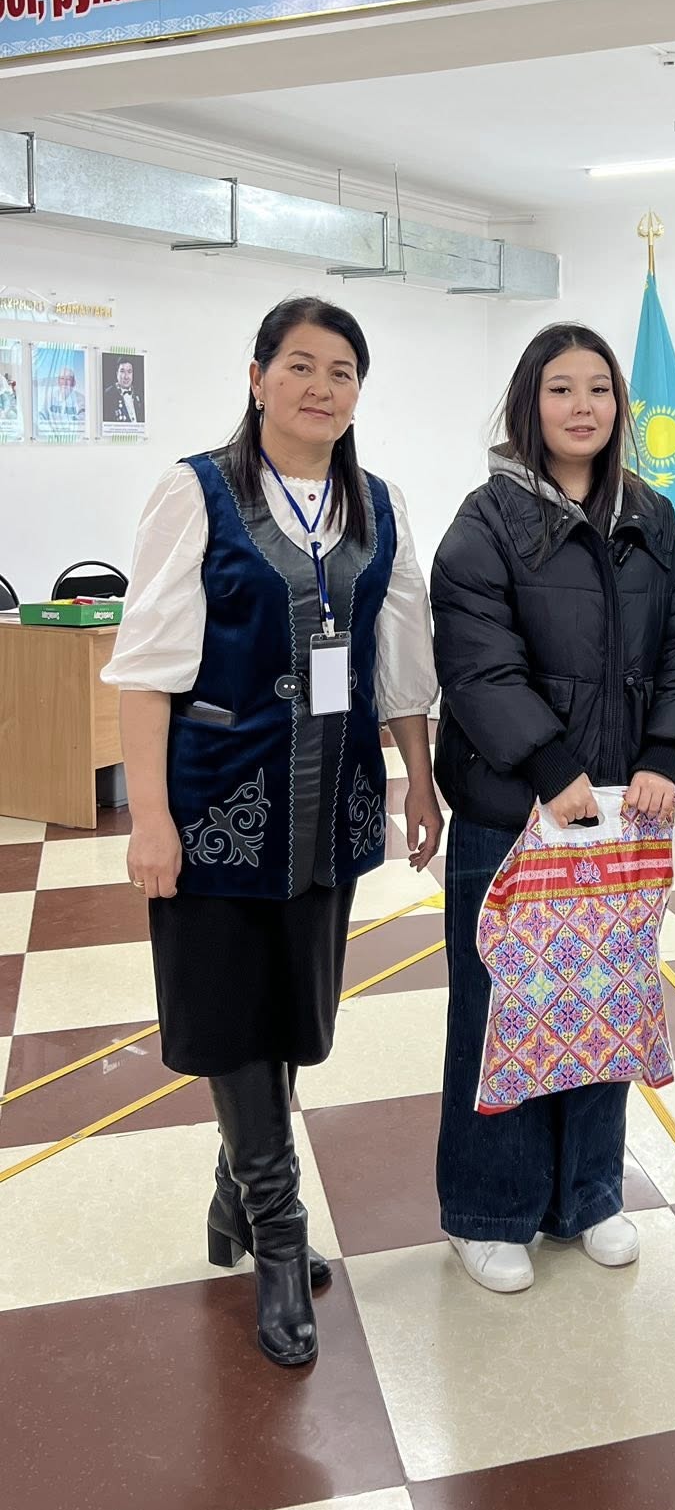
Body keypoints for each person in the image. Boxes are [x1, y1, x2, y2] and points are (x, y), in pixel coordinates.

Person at [103, 296, 441, 1367]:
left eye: (342, 371)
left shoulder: (377, 505)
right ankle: (280, 1237)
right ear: (257, 379)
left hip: (331, 805)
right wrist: (150, 819)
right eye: (299, 365)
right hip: (217, 803)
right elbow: (147, 669)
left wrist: (419, 780)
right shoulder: (198, 491)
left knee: (295, 1015)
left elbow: (399, 662)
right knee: (230, 1012)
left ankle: (231, 1196)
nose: (320, 387)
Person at [431, 323, 675, 1294]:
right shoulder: (488, 517)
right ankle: (488, 1212)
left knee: (602, 1000)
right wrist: (550, 765)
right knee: (504, 1006)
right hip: (515, 808)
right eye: (561, 387)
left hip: (620, 812)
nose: (583, 405)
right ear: (530, 402)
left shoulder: (650, 513)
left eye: (599, 388)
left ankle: (588, 1194)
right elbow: (476, 658)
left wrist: (668, 752)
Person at [104, 357, 144, 424]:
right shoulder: (107, 395)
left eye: (129, 372)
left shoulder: (140, 393)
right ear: (117, 373)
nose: (126, 377)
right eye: (122, 371)